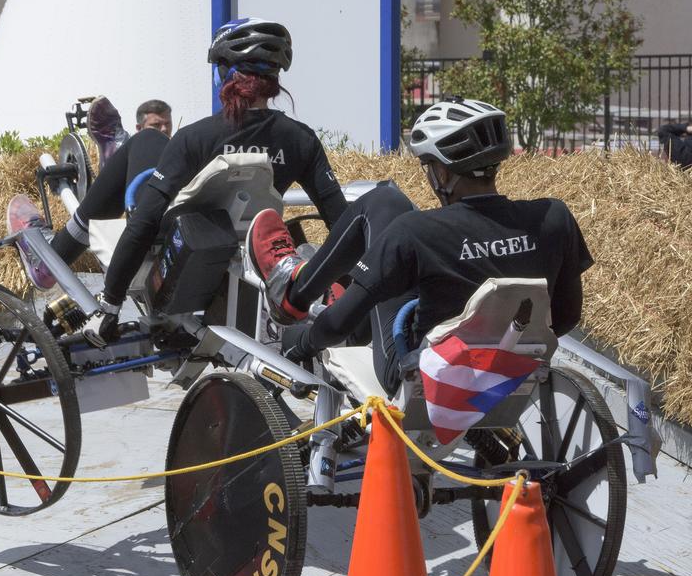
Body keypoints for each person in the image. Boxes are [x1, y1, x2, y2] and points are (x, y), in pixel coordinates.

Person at [251, 96, 592, 395]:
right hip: (507, 373)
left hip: (420, 380)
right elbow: (566, 316)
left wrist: (299, 343)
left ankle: (293, 295)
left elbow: (336, 327)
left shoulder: (416, 232)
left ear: (442, 175)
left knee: (383, 201)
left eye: (428, 167)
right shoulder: (554, 217)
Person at [77, 18, 348, 344]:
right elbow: (342, 223)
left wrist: (110, 303)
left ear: (225, 73)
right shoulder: (301, 141)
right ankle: (117, 150)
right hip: (251, 254)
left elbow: (145, 221)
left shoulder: (195, 137)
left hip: (179, 263)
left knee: (146, 143)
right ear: (275, 78)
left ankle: (59, 247)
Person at [48, 96, 176, 265]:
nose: (164, 129)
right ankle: (119, 156)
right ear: (138, 127)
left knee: (150, 140)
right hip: (155, 228)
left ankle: (117, 156)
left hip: (156, 232)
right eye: (156, 125)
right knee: (151, 140)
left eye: (168, 124)